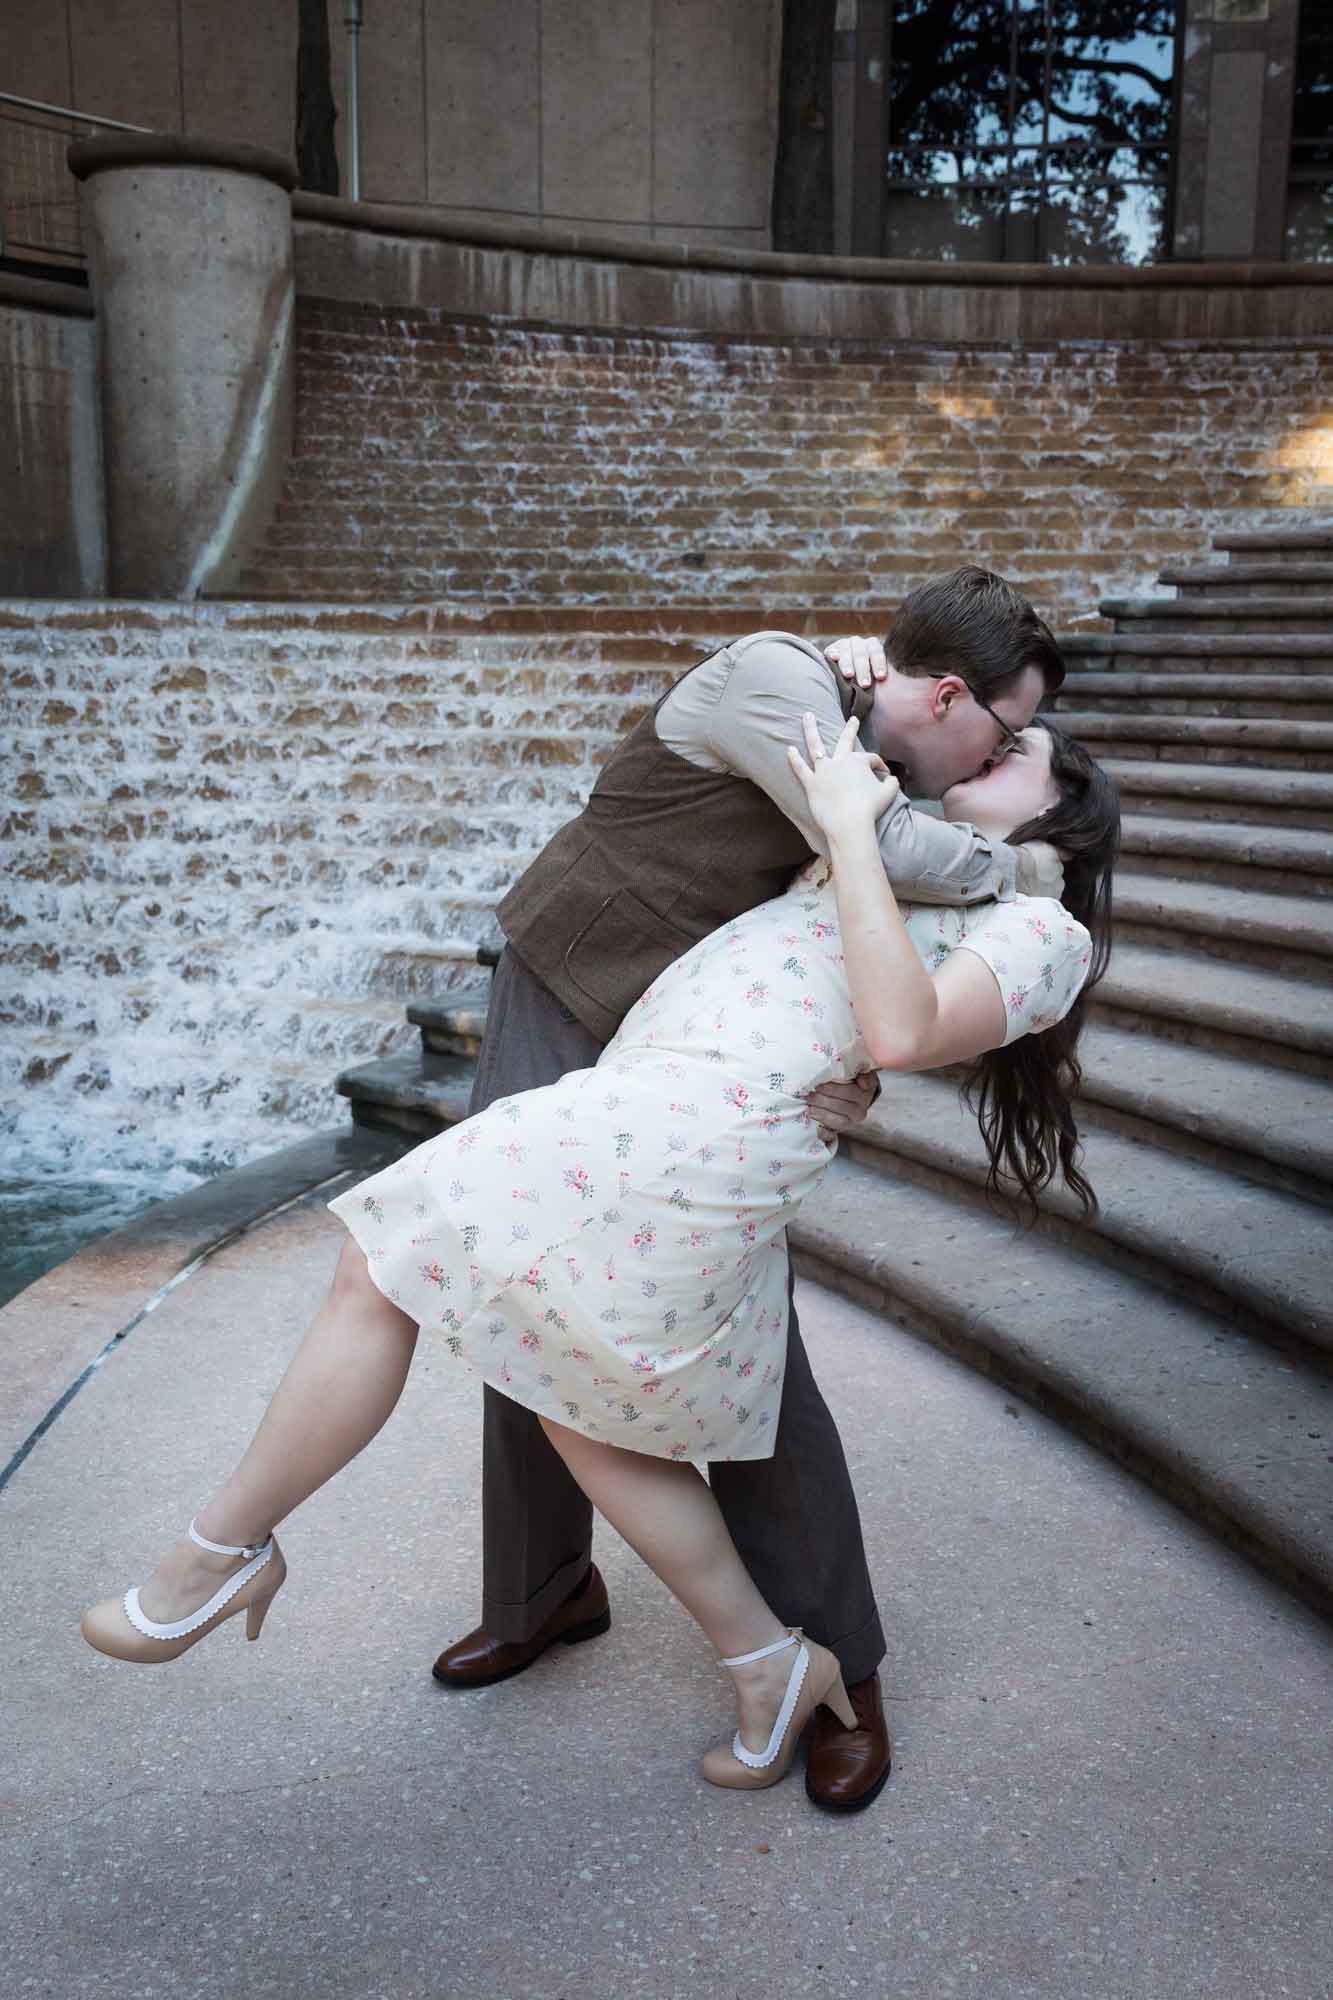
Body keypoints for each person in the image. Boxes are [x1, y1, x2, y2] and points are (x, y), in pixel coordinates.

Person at [82, 707, 1121, 1804]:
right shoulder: (929, 859)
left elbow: (906, 1026)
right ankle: (768, 1661)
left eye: (1015, 758)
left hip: (686, 1130)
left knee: (381, 1259)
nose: (986, 755)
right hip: (655, 1105)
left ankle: (215, 1554)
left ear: (1066, 812)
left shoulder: (1042, 925)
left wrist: (852, 842)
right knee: (582, 1410)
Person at [427, 565, 1070, 1816]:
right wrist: (1026, 871)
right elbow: (875, 852)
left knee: (750, 1341)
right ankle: (542, 1591)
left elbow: (844, 929)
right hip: (572, 987)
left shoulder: (878, 756)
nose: (1001, 756)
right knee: (516, 1284)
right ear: (949, 694)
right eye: (1003, 729)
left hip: (697, 1054)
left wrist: (848, 1076)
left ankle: (843, 1670)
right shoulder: (781, 682)